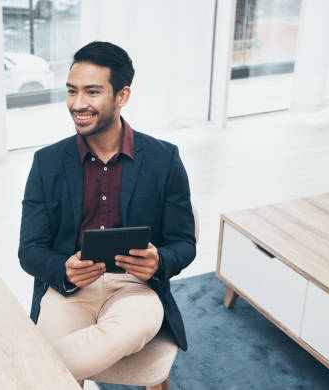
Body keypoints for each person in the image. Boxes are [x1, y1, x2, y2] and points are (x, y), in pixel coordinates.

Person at [18, 41, 196, 381]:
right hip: (69, 290)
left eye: (92, 92)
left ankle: (25, 371)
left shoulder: (164, 159)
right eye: (72, 91)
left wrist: (160, 261)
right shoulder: (47, 163)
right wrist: (64, 269)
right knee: (64, 363)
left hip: (135, 289)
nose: (78, 104)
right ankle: (33, 372)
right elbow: (29, 251)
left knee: (129, 326)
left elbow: (184, 243)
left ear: (122, 96)